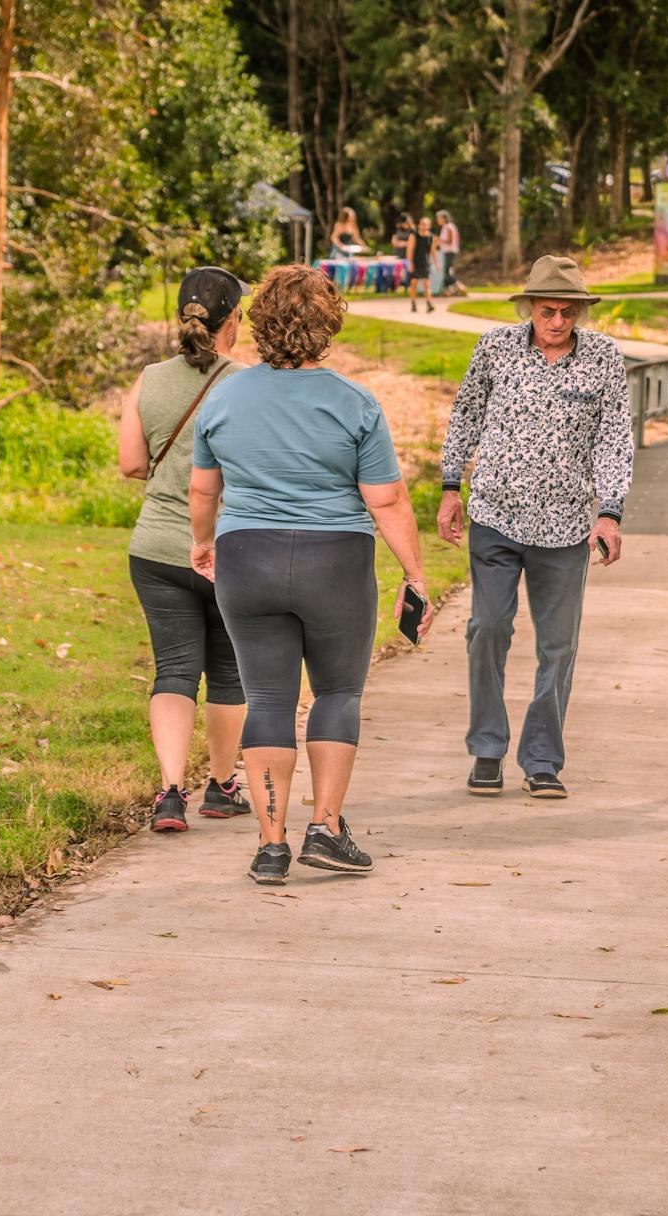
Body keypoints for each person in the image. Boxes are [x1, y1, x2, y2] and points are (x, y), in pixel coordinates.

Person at [189, 264, 435, 886]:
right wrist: (416, 575)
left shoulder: (224, 397)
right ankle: (325, 828)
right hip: (336, 562)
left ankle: (271, 845)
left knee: (267, 698)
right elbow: (388, 501)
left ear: (259, 323)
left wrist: (201, 543)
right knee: (337, 694)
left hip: (247, 556)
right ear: (328, 325)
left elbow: (202, 488)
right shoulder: (354, 404)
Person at [438, 256, 631, 799]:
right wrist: (451, 487)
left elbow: (614, 437)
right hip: (496, 515)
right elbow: (466, 415)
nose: (558, 321)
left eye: (569, 312)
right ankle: (486, 748)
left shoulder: (604, 358)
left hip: (567, 525)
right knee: (488, 629)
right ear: (529, 308)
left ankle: (542, 758)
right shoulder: (495, 348)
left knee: (559, 646)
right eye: (548, 310)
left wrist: (610, 511)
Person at [116, 266, 249, 833]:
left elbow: (130, 464)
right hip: (227, 551)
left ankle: (170, 793)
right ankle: (221, 788)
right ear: (233, 322)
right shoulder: (246, 383)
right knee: (229, 674)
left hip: (155, 548)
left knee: (173, 670)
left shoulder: (147, 379)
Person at [404, 214, 436, 312]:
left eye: (426, 224)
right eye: (422, 224)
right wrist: (410, 263)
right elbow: (409, 250)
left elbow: (432, 251)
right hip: (415, 262)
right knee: (414, 284)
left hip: (425, 262)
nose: (424, 226)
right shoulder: (413, 236)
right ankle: (413, 303)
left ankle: (429, 304)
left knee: (426, 284)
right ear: (419, 225)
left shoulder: (430, 237)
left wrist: (436, 263)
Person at [434, 208, 466, 296]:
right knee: (447, 272)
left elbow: (450, 241)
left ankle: (459, 285)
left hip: (450, 252)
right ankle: (448, 291)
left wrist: (438, 239)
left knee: (445, 272)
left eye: (439, 218)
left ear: (444, 218)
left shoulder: (449, 227)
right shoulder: (445, 227)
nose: (438, 220)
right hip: (446, 252)